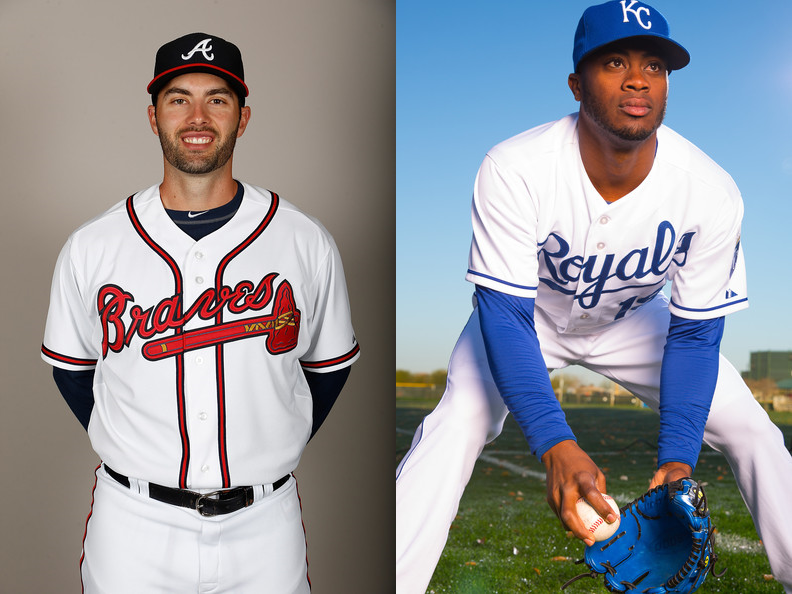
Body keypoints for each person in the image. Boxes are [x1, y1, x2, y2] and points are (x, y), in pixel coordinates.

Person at [395, 2, 792, 592]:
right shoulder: (516, 167)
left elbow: (696, 332)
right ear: (577, 83)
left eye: (655, 66)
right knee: (455, 426)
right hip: (529, 315)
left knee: (756, 432)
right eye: (615, 62)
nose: (638, 79)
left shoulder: (710, 191)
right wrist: (555, 442)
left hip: (637, 321)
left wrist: (678, 461)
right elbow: (502, 312)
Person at [41, 32, 359, 593]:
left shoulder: (303, 241)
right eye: (178, 98)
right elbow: (72, 371)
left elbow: (329, 368)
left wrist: (268, 439)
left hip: (264, 526)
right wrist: (136, 443)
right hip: (133, 526)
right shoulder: (95, 245)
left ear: (243, 116)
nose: (197, 116)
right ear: (153, 115)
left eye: (217, 99)